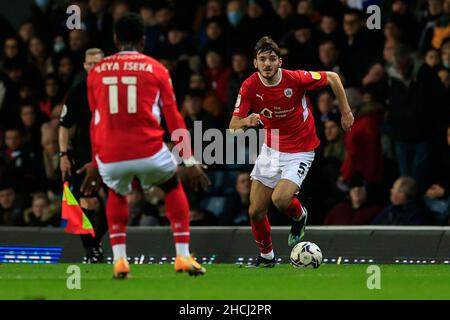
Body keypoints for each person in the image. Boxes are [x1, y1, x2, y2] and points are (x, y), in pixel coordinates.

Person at [83, 13, 210, 278]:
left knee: (117, 193)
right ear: (143, 39)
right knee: (171, 185)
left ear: (116, 39)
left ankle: (119, 260)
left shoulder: (95, 72)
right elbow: (174, 118)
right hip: (149, 150)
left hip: (110, 153)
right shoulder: (157, 69)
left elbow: (94, 121)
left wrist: (96, 163)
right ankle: (183, 255)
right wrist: (189, 160)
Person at [229, 36, 354, 267]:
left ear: (280, 62)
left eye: (272, 59)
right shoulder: (249, 86)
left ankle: (299, 215)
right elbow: (233, 126)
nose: (267, 63)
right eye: (263, 59)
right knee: (255, 211)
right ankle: (267, 258)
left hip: (300, 150)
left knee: (280, 199)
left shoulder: (295, 79)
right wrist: (247, 119)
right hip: (271, 149)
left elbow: (333, 78)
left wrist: (346, 112)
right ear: (255, 63)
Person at [58, 48, 108, 263]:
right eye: (89, 64)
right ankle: (92, 250)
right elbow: (64, 125)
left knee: (116, 201)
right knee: (86, 202)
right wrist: (63, 154)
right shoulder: (78, 91)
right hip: (84, 155)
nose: (93, 67)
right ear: (84, 66)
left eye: (97, 63)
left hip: (111, 154)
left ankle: (94, 245)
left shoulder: (112, 90)